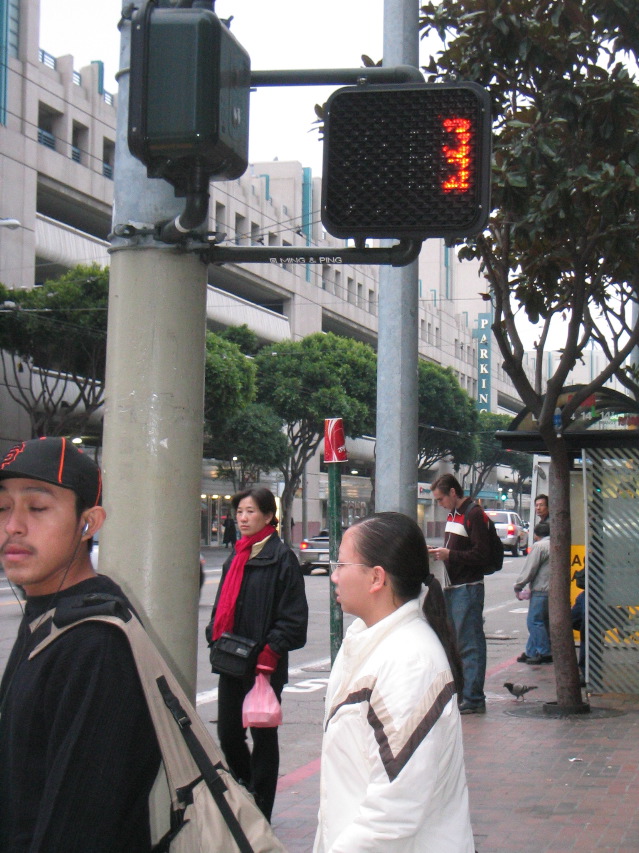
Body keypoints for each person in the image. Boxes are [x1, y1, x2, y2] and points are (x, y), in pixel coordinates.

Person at [0, 437, 161, 852]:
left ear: (88, 523)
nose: (13, 525)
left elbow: (82, 826)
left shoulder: (97, 643)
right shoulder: (47, 615)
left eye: (36, 508)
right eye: (2, 507)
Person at [314, 512, 474, 853]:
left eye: (341, 563)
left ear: (376, 577)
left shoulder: (410, 662)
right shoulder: (366, 641)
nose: (334, 576)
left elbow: (393, 813)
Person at [205, 487, 308, 821]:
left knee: (264, 735)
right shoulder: (237, 556)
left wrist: (272, 650)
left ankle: (261, 807)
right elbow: (222, 604)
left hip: (264, 664)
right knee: (229, 734)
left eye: (250, 512)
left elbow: (293, 618)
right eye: (239, 512)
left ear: (268, 516)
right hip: (233, 660)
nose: (243, 518)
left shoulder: (281, 558)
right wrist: (213, 632)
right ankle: (248, 786)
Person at [429, 473, 491, 714]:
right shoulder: (454, 514)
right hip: (454, 586)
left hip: (468, 587)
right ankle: (467, 692)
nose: (440, 503)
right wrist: (440, 553)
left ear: (453, 493)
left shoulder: (473, 514)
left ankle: (474, 697)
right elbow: (457, 549)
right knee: (459, 642)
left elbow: (481, 555)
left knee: (470, 643)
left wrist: (449, 555)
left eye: (441, 498)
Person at [514, 521, 552, 665]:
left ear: (536, 535)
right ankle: (531, 651)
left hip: (541, 589)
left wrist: (519, 585)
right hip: (552, 590)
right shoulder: (555, 545)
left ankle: (544, 652)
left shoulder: (539, 546)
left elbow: (530, 569)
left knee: (534, 622)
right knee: (540, 622)